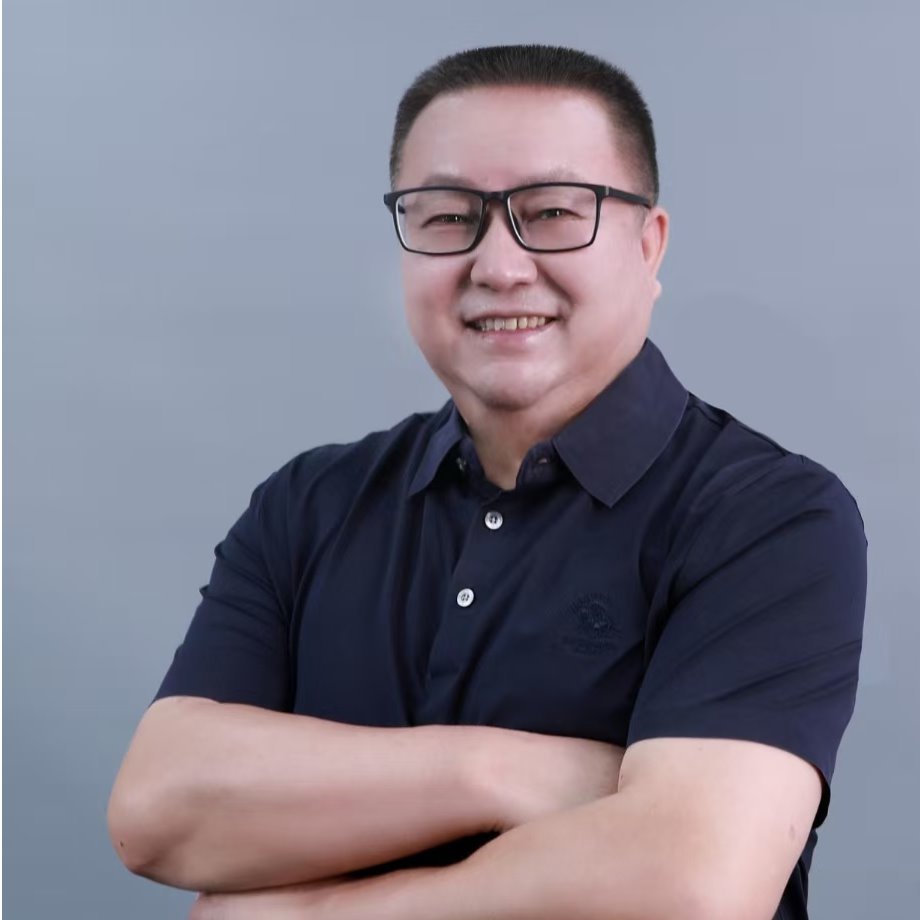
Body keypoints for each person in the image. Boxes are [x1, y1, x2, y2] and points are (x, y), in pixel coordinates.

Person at [108, 44, 868, 920]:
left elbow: (688, 890)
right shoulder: (308, 505)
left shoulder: (768, 519)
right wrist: (502, 770)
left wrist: (308, 914)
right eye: (446, 217)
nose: (500, 266)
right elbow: (155, 812)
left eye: (552, 212)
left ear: (648, 244)